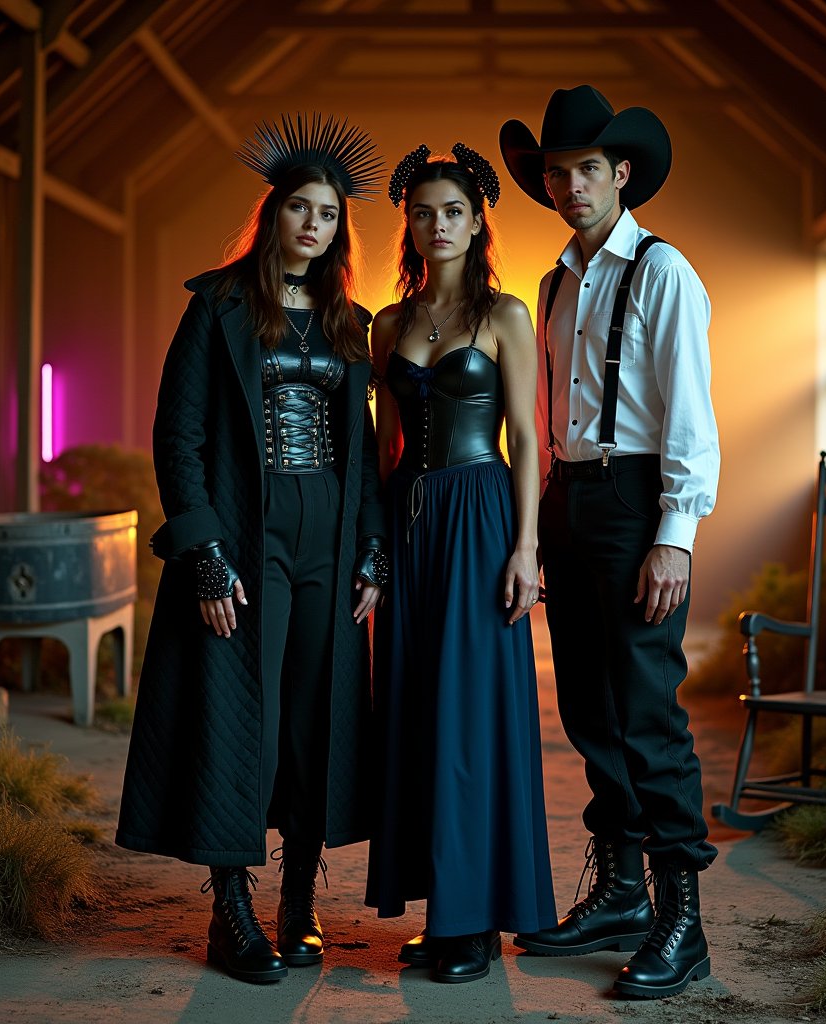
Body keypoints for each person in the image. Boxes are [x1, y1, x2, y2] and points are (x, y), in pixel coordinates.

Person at [115, 114, 388, 984]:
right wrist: (202, 551)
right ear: (272, 214)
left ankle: (298, 903)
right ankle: (230, 909)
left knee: (314, 717)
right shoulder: (218, 308)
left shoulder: (352, 324)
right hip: (247, 536)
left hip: (331, 540)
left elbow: (366, 449)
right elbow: (177, 437)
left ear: (341, 229)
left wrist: (373, 548)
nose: (315, 224)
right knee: (247, 722)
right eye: (301, 208)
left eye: (330, 214)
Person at [498, 86, 720, 999]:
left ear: (620, 174)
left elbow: (691, 420)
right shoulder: (551, 283)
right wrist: (542, 518)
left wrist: (675, 536)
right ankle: (624, 889)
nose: (570, 185)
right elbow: (549, 415)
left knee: (648, 712)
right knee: (589, 707)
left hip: (636, 505)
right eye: (555, 172)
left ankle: (683, 921)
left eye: (586, 169)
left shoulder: (664, 272)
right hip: (569, 500)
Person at [364, 144, 557, 984]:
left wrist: (526, 546)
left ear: (478, 222)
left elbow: (528, 444)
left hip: (481, 519)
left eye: (453, 211)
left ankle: (476, 925)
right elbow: (382, 450)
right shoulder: (386, 324)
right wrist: (373, 548)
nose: (437, 224)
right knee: (413, 707)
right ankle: (441, 905)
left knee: (471, 716)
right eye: (422, 211)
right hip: (409, 522)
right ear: (407, 222)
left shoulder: (505, 314)